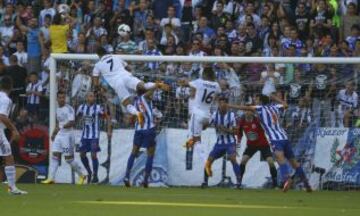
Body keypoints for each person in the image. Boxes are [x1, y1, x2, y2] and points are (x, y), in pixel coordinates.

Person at [228, 94, 312, 192]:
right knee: (294, 162)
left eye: (256, 99)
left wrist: (230, 106)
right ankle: (306, 184)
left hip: (275, 139)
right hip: (284, 136)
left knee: (280, 158)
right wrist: (276, 98)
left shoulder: (260, 108)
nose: (255, 100)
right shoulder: (275, 107)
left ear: (260, 101)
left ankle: (286, 178)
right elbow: (286, 105)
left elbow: (244, 107)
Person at [92, 47, 169, 128]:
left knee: (127, 104)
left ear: (98, 55)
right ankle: (157, 84)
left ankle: (137, 113)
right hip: (126, 76)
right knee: (143, 86)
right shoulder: (116, 57)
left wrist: (98, 89)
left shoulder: (97, 65)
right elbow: (129, 68)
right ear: (106, 52)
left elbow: (96, 83)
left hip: (117, 83)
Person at [42, 91, 87, 184]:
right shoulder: (57, 109)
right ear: (57, 99)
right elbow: (59, 123)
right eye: (60, 97)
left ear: (65, 98)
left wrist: (61, 127)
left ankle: (82, 175)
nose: (62, 99)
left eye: (63, 97)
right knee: (54, 155)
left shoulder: (69, 109)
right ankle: (51, 178)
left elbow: (72, 122)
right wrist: (54, 133)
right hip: (59, 135)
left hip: (68, 136)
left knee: (69, 159)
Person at [123, 86, 163, 188]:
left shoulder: (135, 102)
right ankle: (145, 180)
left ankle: (127, 176)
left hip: (138, 129)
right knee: (150, 154)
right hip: (149, 129)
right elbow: (149, 93)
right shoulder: (144, 98)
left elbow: (132, 116)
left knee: (133, 152)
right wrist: (156, 85)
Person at [184, 67, 221, 169]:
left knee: (196, 140)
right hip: (207, 115)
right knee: (195, 136)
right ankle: (190, 140)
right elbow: (218, 94)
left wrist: (182, 81)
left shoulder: (199, 82)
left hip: (197, 113)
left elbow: (186, 83)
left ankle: (206, 161)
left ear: (204, 74)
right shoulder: (216, 85)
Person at [202, 96, 241, 188]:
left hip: (230, 142)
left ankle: (239, 182)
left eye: (224, 103)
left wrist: (225, 129)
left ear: (227, 105)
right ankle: (205, 182)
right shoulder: (214, 115)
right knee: (209, 160)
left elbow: (236, 132)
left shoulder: (232, 115)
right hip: (219, 143)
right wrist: (204, 123)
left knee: (232, 158)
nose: (221, 105)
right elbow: (204, 127)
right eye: (220, 103)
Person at [237, 107, 278, 188]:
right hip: (251, 145)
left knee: (270, 161)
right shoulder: (242, 121)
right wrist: (238, 142)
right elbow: (239, 133)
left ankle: (275, 183)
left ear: (252, 112)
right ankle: (239, 182)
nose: (248, 112)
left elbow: (267, 126)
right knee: (243, 161)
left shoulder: (258, 120)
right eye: (246, 110)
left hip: (263, 144)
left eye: (250, 110)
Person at [76, 92, 112, 184]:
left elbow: (107, 116)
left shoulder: (98, 108)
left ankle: (95, 175)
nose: (92, 98)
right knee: (82, 155)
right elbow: (76, 118)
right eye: (90, 96)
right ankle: (89, 172)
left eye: (93, 96)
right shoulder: (82, 107)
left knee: (93, 155)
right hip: (84, 136)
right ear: (86, 97)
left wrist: (108, 130)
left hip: (94, 136)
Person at [0, 76, 27, 195]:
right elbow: (2, 116)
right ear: (11, 86)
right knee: (8, 157)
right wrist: (14, 130)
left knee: (8, 156)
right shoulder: (6, 99)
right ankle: (12, 188)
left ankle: (12, 188)